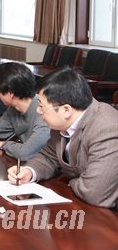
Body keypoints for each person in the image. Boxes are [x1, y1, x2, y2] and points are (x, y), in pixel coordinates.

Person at [8, 68, 118, 209]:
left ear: (66, 110)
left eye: (41, 106)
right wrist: (29, 172)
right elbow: (49, 156)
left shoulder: (107, 129)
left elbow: (94, 193)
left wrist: (70, 181)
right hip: (82, 203)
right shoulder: (62, 122)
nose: (38, 111)